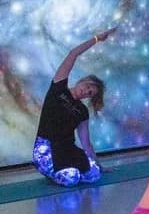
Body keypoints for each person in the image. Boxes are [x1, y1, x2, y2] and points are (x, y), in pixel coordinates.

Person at [32, 28, 116, 187]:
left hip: (68, 150)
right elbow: (73, 54)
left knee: (94, 175)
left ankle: (68, 171)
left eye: (90, 93)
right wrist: (97, 39)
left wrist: (100, 165)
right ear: (83, 81)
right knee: (72, 178)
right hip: (47, 149)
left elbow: (86, 143)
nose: (86, 92)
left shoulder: (82, 111)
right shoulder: (58, 88)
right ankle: (53, 172)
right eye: (88, 86)